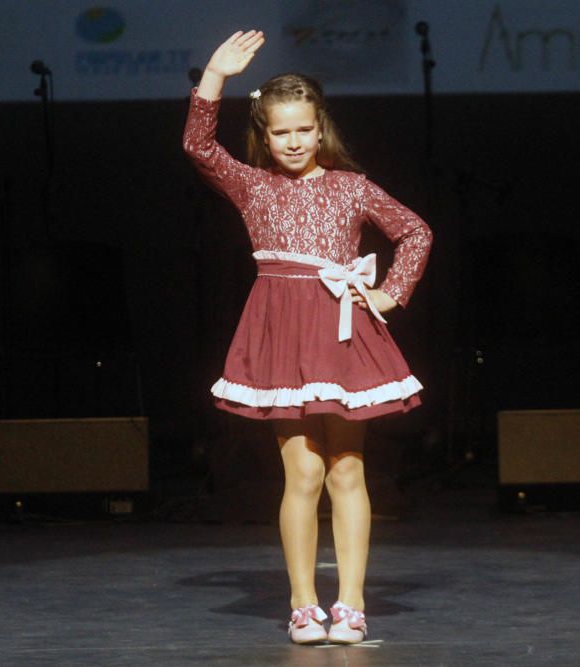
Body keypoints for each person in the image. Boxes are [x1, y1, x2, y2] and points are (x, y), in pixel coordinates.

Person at [183, 30, 432, 645]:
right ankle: (302, 603)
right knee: (303, 474)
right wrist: (216, 74)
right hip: (282, 333)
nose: (293, 142)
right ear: (264, 135)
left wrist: (387, 295)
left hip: (343, 334)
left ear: (320, 130)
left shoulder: (351, 187)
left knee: (349, 469)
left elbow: (416, 232)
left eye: (303, 130)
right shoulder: (252, 186)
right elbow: (196, 144)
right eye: (280, 132)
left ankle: (351, 603)